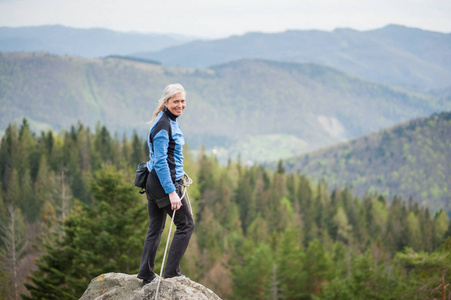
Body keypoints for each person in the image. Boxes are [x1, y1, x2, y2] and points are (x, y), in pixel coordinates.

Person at [137, 83, 194, 287]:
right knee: (186, 225)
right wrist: (171, 191)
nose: (180, 105)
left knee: (155, 227)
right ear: (166, 102)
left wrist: (180, 171)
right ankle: (171, 273)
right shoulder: (163, 125)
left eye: (182, 101)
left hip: (156, 181)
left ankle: (146, 274)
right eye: (176, 101)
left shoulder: (167, 120)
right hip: (164, 184)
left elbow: (166, 156)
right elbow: (161, 161)